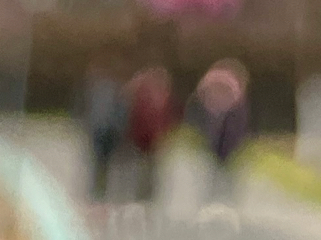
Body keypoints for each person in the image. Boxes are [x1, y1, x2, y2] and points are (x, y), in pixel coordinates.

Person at [189, 59, 250, 220]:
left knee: (224, 177)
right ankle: (213, 205)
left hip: (228, 145)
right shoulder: (212, 100)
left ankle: (223, 206)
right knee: (214, 176)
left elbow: (242, 126)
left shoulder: (234, 104)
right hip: (214, 144)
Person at [123, 63, 178, 222]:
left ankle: (149, 202)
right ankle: (138, 201)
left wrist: (165, 136)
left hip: (155, 141)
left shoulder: (163, 98)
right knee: (139, 173)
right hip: (139, 140)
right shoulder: (140, 97)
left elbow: (168, 119)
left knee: (151, 173)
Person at [83, 69, 124, 209]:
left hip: (107, 133)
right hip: (100, 133)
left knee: (103, 165)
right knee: (97, 164)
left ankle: (100, 193)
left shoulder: (113, 93)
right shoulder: (100, 93)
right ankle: (95, 193)